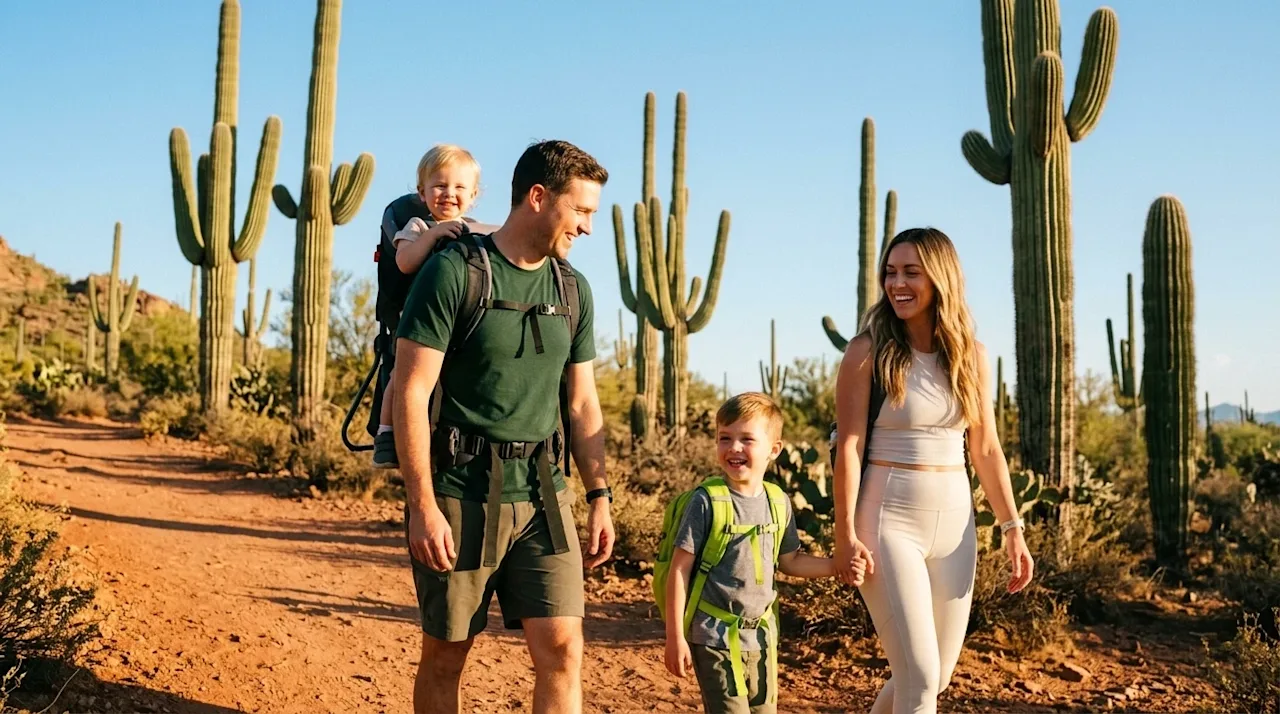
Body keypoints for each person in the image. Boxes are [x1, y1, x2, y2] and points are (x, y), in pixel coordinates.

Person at [392, 139, 616, 714]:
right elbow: (412, 393)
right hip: (461, 489)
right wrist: (422, 504)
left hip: (544, 490)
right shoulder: (452, 272)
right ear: (539, 198)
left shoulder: (573, 289)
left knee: (564, 648)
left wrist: (599, 496)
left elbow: (584, 404)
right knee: (447, 653)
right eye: (582, 211)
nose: (589, 228)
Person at [829, 227, 1035, 714]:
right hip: (887, 523)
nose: (896, 283)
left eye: (910, 273)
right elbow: (850, 447)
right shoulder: (866, 352)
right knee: (918, 679)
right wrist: (843, 534)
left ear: (940, 278)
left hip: (956, 526)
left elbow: (985, 447)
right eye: (890, 272)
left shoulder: (972, 356)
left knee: (933, 677)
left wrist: (1012, 528)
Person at [664, 392, 864, 714]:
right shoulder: (706, 502)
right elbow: (679, 570)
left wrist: (836, 566)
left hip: (762, 638)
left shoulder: (778, 501)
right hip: (714, 637)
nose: (734, 448)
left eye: (747, 439)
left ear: (774, 450)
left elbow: (790, 561)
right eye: (724, 438)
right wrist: (675, 637)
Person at [373, 143, 487, 469]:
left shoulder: (476, 231)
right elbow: (405, 262)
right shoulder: (418, 227)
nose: (449, 193)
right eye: (439, 185)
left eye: (459, 187)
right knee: (401, 375)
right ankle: (386, 434)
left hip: (460, 323)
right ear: (422, 193)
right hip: (419, 320)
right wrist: (433, 235)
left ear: (474, 194)